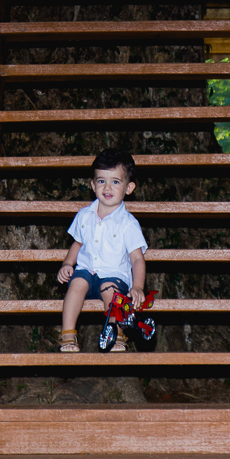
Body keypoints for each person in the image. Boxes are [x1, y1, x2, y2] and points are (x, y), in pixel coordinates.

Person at [55, 148, 148, 352]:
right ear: (92, 185)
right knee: (76, 283)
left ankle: (116, 335)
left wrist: (138, 286)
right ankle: (68, 334)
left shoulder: (128, 223)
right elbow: (78, 244)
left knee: (111, 293)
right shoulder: (84, 215)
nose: (107, 187)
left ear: (129, 187)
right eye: (101, 181)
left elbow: (137, 259)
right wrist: (67, 264)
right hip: (87, 271)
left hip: (114, 276)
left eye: (115, 181)